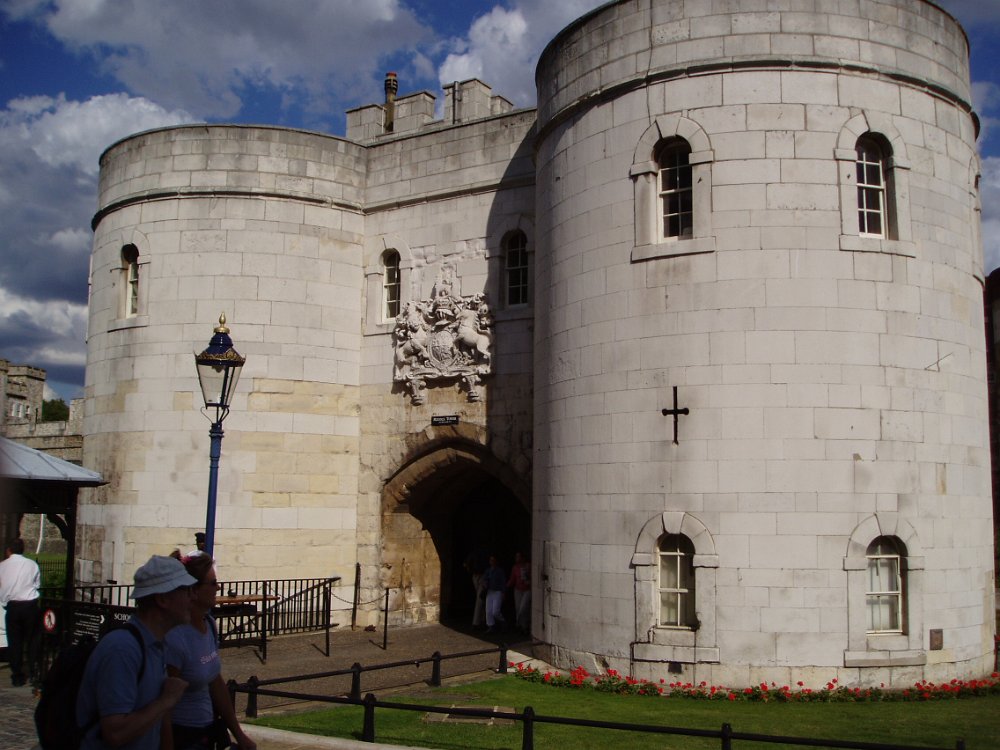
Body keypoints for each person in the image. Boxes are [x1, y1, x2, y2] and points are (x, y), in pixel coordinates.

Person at [76, 555, 195, 750]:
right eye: (186, 590)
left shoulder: (155, 644)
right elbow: (115, 733)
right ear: (163, 599)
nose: (193, 597)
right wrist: (166, 700)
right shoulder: (122, 649)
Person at [165, 550, 255, 750]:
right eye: (213, 583)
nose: (218, 587)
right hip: (183, 735)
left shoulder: (209, 624)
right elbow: (165, 706)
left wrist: (239, 734)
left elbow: (216, 683)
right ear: (194, 590)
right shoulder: (176, 637)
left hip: (207, 731)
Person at [0, 538, 40, 686]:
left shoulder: (2, 566)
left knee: (15, 642)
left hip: (13, 606)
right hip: (30, 605)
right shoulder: (32, 564)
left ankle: (17, 675)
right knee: (32, 640)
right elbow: (37, 584)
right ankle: (34, 671)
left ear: (8, 550)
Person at [506, 551, 531, 633]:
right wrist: (505, 587)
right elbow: (512, 579)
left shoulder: (528, 566)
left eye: (518, 556)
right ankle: (521, 626)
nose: (517, 558)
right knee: (518, 608)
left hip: (527, 590)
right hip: (518, 590)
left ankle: (524, 625)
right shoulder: (515, 567)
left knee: (523, 608)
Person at [483, 555, 506, 633]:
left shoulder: (500, 571)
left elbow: (503, 582)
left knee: (495, 611)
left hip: (497, 592)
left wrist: (503, 592)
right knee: (488, 611)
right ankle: (491, 626)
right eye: (490, 560)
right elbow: (484, 579)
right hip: (490, 591)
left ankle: (502, 622)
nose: (491, 562)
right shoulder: (488, 570)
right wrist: (484, 583)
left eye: (493, 560)